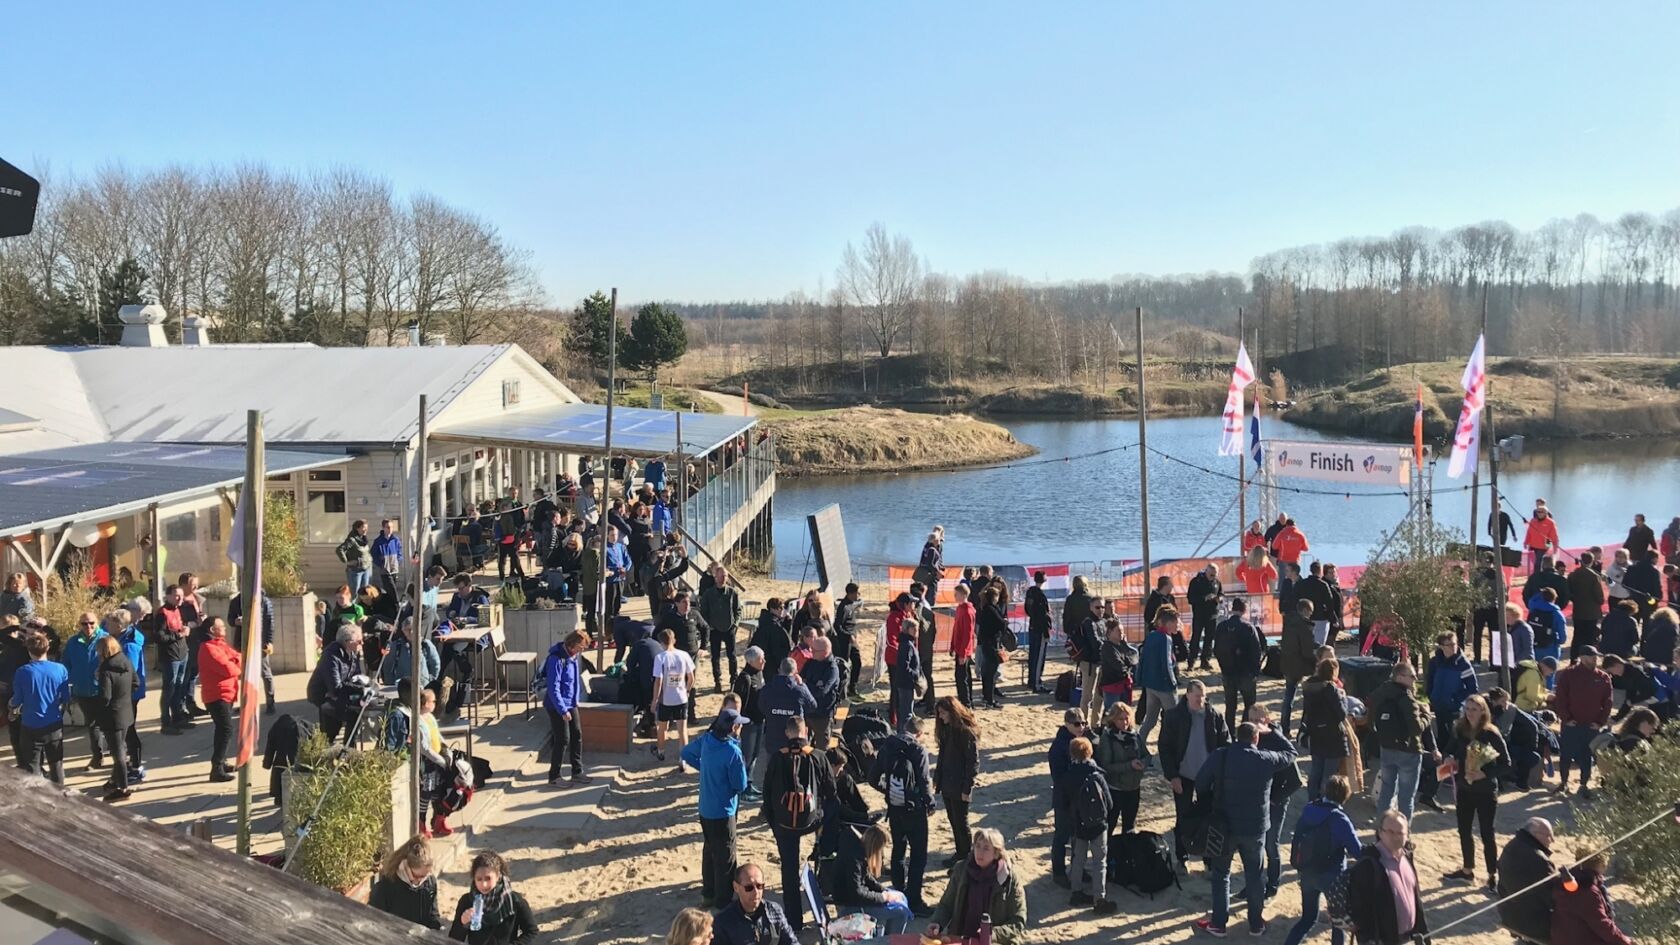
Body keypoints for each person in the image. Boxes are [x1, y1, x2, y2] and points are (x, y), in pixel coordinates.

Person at [1192, 721, 1299, 937]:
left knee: (1221, 873)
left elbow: (1200, 782)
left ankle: (1219, 923)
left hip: (1224, 826)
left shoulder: (1221, 756)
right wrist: (1274, 731)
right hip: (1255, 828)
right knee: (1254, 874)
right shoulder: (1265, 759)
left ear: (1235, 736)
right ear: (1256, 738)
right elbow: (1291, 752)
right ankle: (1256, 923)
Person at [762, 716, 836, 933]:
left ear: (787, 734)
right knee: (832, 813)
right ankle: (822, 858)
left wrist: (774, 823)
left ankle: (794, 921)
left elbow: (767, 796)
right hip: (811, 820)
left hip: (784, 824)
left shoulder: (777, 758)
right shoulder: (818, 757)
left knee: (789, 870)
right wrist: (823, 819)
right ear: (806, 732)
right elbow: (832, 794)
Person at [1281, 774, 1361, 945]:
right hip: (1333, 878)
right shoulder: (1339, 819)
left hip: (1307, 873)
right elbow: (1357, 851)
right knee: (1338, 924)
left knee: (1308, 919)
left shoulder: (1309, 809)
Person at [1442, 694, 1509, 889]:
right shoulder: (1459, 729)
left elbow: (1506, 764)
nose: (1470, 713)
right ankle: (1467, 870)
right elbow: (1448, 750)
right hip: (1464, 788)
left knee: (1487, 832)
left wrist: (1485, 774)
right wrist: (1448, 759)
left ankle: (1492, 874)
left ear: (1483, 711)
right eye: (1468, 709)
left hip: (1485, 791)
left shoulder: (1491, 734)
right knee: (1464, 830)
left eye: (1474, 709)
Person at [1161, 679, 1230, 864]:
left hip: (1209, 778)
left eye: (1203, 696)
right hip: (1183, 776)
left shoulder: (1214, 715)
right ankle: (1182, 856)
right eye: (1197, 696)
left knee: (1209, 818)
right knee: (1183, 817)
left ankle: (1208, 858)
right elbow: (1165, 748)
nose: (1201, 700)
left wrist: (1221, 774)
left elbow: (1225, 744)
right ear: (1187, 694)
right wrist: (1172, 776)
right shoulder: (1174, 716)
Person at [872, 713, 935, 915]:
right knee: (918, 856)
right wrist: (930, 803)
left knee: (898, 850)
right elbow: (924, 781)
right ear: (919, 733)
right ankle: (914, 900)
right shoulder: (918, 750)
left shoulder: (888, 746)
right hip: (914, 809)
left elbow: (873, 777)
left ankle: (899, 892)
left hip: (894, 807)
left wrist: (888, 790)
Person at [687, 707, 748, 908]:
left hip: (705, 809)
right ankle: (723, 902)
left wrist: (704, 768)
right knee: (726, 858)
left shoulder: (707, 740)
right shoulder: (732, 751)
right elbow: (741, 785)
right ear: (733, 728)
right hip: (724, 812)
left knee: (710, 850)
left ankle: (708, 893)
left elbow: (686, 752)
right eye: (738, 725)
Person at [927, 828, 1028, 945]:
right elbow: (946, 904)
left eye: (986, 848)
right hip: (961, 937)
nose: (980, 852)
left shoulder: (1009, 879)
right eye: (977, 846)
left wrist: (992, 934)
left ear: (996, 853)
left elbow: (1018, 920)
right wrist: (937, 923)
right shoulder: (961, 870)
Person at [1348, 811, 1428, 945]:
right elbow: (1359, 910)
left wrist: (1425, 936)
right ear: (1380, 832)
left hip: (1409, 938)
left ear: (1407, 835)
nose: (1395, 837)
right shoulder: (1369, 864)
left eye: (1400, 833)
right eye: (1390, 832)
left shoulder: (1407, 857)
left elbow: (1416, 900)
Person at [1419, 631, 1477, 811]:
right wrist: (1431, 697)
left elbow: (1472, 688)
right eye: (1448, 645)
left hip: (1454, 711)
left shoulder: (1463, 664)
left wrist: (1455, 701)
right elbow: (1430, 681)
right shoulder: (1436, 662)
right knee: (1441, 742)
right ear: (1441, 646)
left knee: (1453, 744)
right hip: (1439, 707)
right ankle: (1440, 777)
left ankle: (1449, 776)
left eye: (1454, 644)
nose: (1452, 647)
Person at [1553, 646, 1612, 799]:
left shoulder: (1603, 677)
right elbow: (1560, 699)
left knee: (1587, 756)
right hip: (1571, 724)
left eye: (1596, 657)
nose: (1595, 659)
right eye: (1591, 656)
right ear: (1582, 657)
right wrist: (1566, 718)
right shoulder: (1569, 674)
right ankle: (1563, 782)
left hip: (1591, 725)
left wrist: (1600, 722)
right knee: (1566, 753)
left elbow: (1607, 702)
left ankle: (1584, 785)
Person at [10, 632, 69, 783]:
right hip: (54, 723)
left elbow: (17, 700)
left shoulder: (22, 672)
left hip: (30, 724)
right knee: (56, 764)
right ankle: (61, 796)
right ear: (47, 648)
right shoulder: (60, 669)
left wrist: (12, 705)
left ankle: (38, 799)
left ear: (29, 651)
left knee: (32, 767)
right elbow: (66, 697)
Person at [448, 850, 537, 944]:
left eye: (488, 878)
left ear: (498, 876)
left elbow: (531, 932)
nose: (484, 884)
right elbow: (453, 939)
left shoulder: (514, 900)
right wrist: (463, 923)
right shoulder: (467, 901)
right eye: (479, 879)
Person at [934, 696, 980, 867]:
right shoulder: (947, 730)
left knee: (961, 822)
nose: (940, 717)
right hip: (947, 782)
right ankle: (960, 852)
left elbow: (972, 762)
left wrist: (967, 788)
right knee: (953, 820)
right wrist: (937, 778)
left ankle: (965, 855)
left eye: (943, 713)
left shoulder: (965, 732)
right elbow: (942, 756)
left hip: (959, 784)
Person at [1551, 850, 1634, 945]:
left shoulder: (1566, 883)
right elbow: (1601, 924)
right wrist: (1624, 940)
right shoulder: (1588, 889)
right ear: (1600, 866)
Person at [1495, 818, 1556, 945]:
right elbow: (1552, 898)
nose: (1552, 840)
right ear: (1536, 835)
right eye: (1549, 836)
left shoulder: (1511, 846)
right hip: (1532, 923)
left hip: (1508, 914)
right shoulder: (1540, 861)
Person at [1048, 708, 1089, 888]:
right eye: (1077, 724)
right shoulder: (1059, 746)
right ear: (1067, 724)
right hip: (1064, 799)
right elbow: (1058, 777)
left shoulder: (1085, 740)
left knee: (1078, 837)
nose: (1081, 727)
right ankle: (1058, 872)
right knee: (1061, 837)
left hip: (1080, 799)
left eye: (1084, 723)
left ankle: (1077, 868)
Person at [93, 634, 137, 801]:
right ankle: (114, 780)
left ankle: (123, 787)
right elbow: (136, 683)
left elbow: (105, 697)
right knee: (121, 747)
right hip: (126, 712)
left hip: (112, 716)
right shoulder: (126, 662)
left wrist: (98, 709)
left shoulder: (105, 670)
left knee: (118, 752)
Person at [196, 618, 241, 783]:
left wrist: (235, 662)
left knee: (225, 730)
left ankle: (222, 762)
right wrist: (235, 663)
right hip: (216, 696)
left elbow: (238, 658)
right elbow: (228, 669)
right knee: (225, 730)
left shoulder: (220, 644)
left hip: (227, 694)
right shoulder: (208, 648)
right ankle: (216, 768)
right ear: (212, 629)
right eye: (221, 626)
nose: (224, 629)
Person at [541, 630, 589, 785]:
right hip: (557, 705)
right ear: (571, 644)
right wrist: (563, 710)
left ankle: (577, 771)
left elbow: (573, 682)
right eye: (580, 647)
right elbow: (553, 687)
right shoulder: (556, 659)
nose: (582, 650)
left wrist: (575, 702)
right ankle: (554, 776)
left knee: (577, 735)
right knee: (562, 739)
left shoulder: (573, 657)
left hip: (571, 703)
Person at [62, 611, 108, 770]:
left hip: (103, 690)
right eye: (84, 624)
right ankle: (97, 756)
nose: (88, 626)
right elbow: (65, 664)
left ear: (97, 623)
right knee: (92, 725)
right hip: (82, 691)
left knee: (110, 726)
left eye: (92, 623)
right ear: (79, 625)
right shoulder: (73, 642)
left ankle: (120, 760)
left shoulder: (106, 639)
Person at [1093, 701, 1147, 834]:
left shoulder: (1134, 735)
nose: (1124, 722)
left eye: (1127, 718)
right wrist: (1130, 766)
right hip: (1115, 789)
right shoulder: (1108, 738)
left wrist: (1143, 763)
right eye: (1120, 719)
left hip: (1134, 787)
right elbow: (1105, 766)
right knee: (1110, 825)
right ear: (1113, 719)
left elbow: (1146, 754)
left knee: (1129, 827)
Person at [308, 625, 366, 745]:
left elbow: (355, 676)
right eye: (359, 641)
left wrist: (365, 685)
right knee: (342, 721)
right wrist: (360, 690)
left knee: (355, 712)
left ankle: (348, 747)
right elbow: (335, 687)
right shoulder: (331, 656)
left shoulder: (353, 653)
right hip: (324, 696)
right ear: (348, 642)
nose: (362, 643)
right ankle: (347, 749)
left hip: (339, 694)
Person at [370, 835, 444, 930]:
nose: (420, 881)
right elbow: (376, 923)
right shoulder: (384, 889)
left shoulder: (430, 882)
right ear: (405, 865)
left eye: (425, 876)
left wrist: (436, 928)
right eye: (416, 876)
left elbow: (433, 915)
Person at [713, 863, 796, 945]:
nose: (756, 892)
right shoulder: (723, 922)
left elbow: (791, 941)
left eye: (760, 886)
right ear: (736, 887)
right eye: (749, 888)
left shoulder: (774, 911)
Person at [1212, 598, 1263, 732]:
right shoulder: (1248, 627)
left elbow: (1216, 649)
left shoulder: (1222, 627)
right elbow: (1256, 650)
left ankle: (1229, 733)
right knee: (1249, 704)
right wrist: (1255, 671)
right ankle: (1245, 730)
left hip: (1228, 671)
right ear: (1244, 610)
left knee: (1230, 705)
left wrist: (1223, 665)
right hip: (1246, 672)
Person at [1301, 658, 1349, 799]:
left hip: (1315, 733)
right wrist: (1343, 699)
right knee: (1328, 774)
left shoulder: (1309, 688)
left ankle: (1312, 799)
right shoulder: (1331, 689)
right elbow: (1341, 714)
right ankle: (1325, 800)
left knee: (1316, 770)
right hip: (1333, 736)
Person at [1136, 605, 1180, 749]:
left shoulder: (1151, 636)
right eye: (1176, 622)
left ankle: (1139, 745)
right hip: (1164, 686)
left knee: (1150, 720)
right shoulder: (1166, 639)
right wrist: (1173, 682)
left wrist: (1141, 678)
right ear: (1168, 623)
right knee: (1175, 719)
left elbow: (1142, 659)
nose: (1178, 625)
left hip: (1150, 685)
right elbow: (1166, 663)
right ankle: (1174, 748)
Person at [651, 628, 696, 768]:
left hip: (666, 699)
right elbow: (691, 678)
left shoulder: (660, 658)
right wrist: (687, 691)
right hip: (681, 697)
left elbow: (658, 681)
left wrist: (654, 700)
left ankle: (661, 751)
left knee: (662, 727)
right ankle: (683, 758)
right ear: (674, 640)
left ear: (661, 642)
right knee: (682, 729)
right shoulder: (684, 655)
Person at [730, 647, 767, 802]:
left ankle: (749, 783)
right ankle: (743, 789)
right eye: (761, 659)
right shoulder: (744, 678)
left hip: (760, 721)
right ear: (751, 661)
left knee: (755, 755)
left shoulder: (759, 673)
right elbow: (738, 703)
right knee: (746, 755)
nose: (764, 661)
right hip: (748, 724)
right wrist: (740, 722)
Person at [698, 566, 742, 693]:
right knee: (715, 657)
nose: (723, 579)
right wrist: (709, 626)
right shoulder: (708, 593)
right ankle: (717, 680)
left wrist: (735, 624)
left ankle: (733, 680)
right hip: (714, 629)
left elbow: (738, 610)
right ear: (715, 577)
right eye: (721, 576)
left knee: (732, 656)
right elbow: (703, 612)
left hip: (729, 629)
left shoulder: (732, 593)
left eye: (725, 576)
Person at [1279, 598, 1317, 736]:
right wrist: (1315, 659)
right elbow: (1307, 650)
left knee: (1288, 697)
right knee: (1307, 698)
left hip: (1288, 662)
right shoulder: (1304, 627)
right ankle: (1303, 729)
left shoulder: (1288, 622)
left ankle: (1285, 727)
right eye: (1310, 612)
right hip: (1301, 664)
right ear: (1306, 611)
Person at [800, 636, 845, 748]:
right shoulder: (811, 662)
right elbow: (800, 681)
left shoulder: (832, 669)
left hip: (822, 715)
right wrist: (809, 685)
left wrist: (806, 684)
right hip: (807, 712)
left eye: (814, 650)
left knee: (822, 748)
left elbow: (821, 691)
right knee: (803, 746)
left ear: (825, 651)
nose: (811, 652)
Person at [888, 603, 921, 733]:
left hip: (905, 682)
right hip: (906, 682)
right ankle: (903, 736)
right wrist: (915, 674)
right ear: (908, 630)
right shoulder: (906, 645)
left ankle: (902, 734)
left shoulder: (906, 643)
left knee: (905, 710)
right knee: (906, 712)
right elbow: (904, 666)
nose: (917, 633)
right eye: (915, 630)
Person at [1185, 564, 1223, 670]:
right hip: (1199, 614)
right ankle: (1191, 661)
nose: (1213, 577)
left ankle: (1205, 660)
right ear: (1206, 572)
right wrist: (1204, 598)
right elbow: (1190, 598)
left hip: (1212, 615)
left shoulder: (1217, 582)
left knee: (1209, 638)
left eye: (1215, 575)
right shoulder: (1196, 582)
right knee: (1196, 638)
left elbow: (1221, 593)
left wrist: (1219, 598)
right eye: (1211, 575)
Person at [1601, 654, 1662, 720]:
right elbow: (1629, 697)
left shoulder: (1635, 671)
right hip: (1653, 700)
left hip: (1661, 698)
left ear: (1617, 665)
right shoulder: (1626, 673)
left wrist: (1632, 701)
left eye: (1612, 671)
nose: (1613, 674)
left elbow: (1649, 692)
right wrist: (1617, 718)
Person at [832, 583, 865, 701]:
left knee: (857, 662)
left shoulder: (852, 604)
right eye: (857, 593)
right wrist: (848, 636)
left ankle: (853, 688)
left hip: (852, 639)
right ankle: (841, 692)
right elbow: (837, 626)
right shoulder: (843, 607)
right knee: (844, 666)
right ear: (851, 594)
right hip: (845, 641)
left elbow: (858, 603)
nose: (858, 595)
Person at [1098, 618, 1138, 713]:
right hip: (1112, 685)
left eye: (1122, 631)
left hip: (1123, 684)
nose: (1121, 633)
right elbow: (1118, 665)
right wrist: (1127, 669)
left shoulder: (1122, 646)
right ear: (1110, 632)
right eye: (1118, 631)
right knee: (1112, 713)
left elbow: (1134, 659)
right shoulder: (1107, 647)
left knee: (1124, 712)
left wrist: (1125, 644)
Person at [948, 584, 977, 708]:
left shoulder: (967, 611)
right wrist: (952, 646)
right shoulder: (960, 609)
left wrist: (964, 652)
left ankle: (966, 703)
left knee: (962, 677)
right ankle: (967, 700)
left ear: (964, 595)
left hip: (963, 649)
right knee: (964, 675)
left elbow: (967, 633)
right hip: (959, 647)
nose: (955, 597)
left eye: (957, 594)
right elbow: (956, 629)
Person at [1024, 570, 1053, 693]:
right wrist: (1046, 631)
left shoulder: (1030, 592)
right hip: (1040, 629)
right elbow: (1043, 615)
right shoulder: (1040, 596)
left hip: (1032, 626)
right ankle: (1037, 683)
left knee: (1033, 655)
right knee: (1039, 657)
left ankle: (1032, 680)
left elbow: (1027, 609)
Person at [751, 598, 793, 679]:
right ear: (772, 609)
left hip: (768, 659)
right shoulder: (772, 624)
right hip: (772, 661)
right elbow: (784, 642)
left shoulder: (770, 620)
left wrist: (787, 622)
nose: (783, 610)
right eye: (780, 608)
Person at [1297, 562, 1336, 646]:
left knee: (1306, 643)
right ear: (1320, 571)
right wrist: (1333, 618)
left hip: (1305, 616)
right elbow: (1330, 602)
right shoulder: (1323, 585)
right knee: (1320, 644)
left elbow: (1297, 598)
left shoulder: (1302, 584)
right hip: (1320, 617)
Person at [338, 519, 373, 593]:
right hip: (355, 571)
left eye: (366, 527)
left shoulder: (363, 539)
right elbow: (340, 549)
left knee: (365, 593)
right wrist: (347, 562)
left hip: (366, 569)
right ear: (357, 528)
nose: (366, 529)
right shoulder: (352, 540)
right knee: (355, 593)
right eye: (363, 527)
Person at [1524, 506, 1561, 574]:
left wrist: (1554, 548)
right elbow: (1529, 532)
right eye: (1538, 512)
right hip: (1533, 546)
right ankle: (1536, 577)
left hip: (1544, 547)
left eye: (1541, 512)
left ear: (1546, 513)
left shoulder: (1550, 523)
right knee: (1535, 562)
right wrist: (1525, 542)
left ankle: (1538, 577)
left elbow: (1554, 537)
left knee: (1539, 563)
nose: (1539, 513)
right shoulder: (1533, 521)